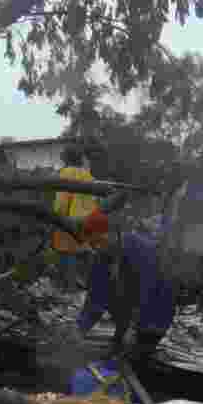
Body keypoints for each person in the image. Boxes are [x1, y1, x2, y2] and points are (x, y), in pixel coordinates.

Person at [73, 208, 175, 359]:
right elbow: (96, 295)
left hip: (156, 311)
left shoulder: (142, 249)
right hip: (129, 308)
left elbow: (148, 291)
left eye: (100, 240)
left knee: (136, 354)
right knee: (117, 349)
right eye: (94, 244)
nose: (98, 246)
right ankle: (119, 342)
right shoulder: (102, 255)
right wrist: (80, 328)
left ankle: (137, 346)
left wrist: (134, 329)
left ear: (114, 233)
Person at [51, 145, 100, 292]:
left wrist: (55, 215)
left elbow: (62, 200)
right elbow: (95, 199)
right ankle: (90, 287)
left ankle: (69, 289)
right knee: (85, 251)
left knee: (67, 252)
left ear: (66, 158)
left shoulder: (65, 174)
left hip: (70, 219)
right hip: (90, 218)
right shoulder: (88, 176)